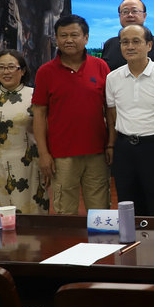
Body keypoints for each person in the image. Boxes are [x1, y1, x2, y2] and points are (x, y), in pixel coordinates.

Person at [32, 14, 111, 215]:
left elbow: (110, 110)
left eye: (74, 35)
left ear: (86, 38)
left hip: (97, 152)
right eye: (63, 35)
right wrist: (44, 153)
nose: (68, 40)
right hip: (61, 155)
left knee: (101, 212)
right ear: (56, 39)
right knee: (65, 213)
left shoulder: (100, 66)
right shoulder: (45, 72)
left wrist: (111, 143)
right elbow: (39, 114)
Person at [105, 25, 154, 217]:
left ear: (149, 45)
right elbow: (112, 113)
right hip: (125, 149)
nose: (130, 46)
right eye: (125, 42)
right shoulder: (113, 78)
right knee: (127, 204)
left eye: (136, 41)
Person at [0, 50, 47, 213]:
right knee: (6, 215)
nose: (6, 72)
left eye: (11, 67)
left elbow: (46, 131)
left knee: (35, 213)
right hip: (0, 165)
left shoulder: (36, 95)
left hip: (33, 164)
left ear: (22, 71)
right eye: (1, 67)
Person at [101, 0, 154, 71]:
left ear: (144, 16)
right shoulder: (109, 44)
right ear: (119, 16)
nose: (130, 15)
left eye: (134, 11)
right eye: (125, 12)